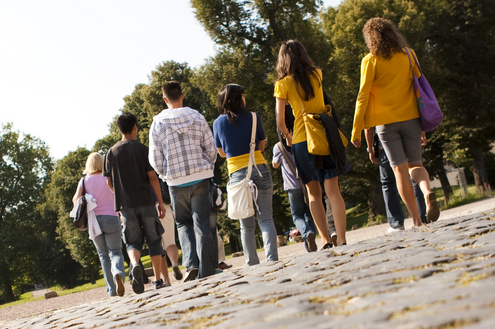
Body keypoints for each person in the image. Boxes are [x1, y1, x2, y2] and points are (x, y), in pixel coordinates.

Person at [350, 17, 439, 225]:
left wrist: (356, 130)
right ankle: (427, 192)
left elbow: (362, 96)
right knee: (416, 165)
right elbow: (419, 87)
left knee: (399, 170)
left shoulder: (370, 60)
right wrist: (423, 127)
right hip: (412, 119)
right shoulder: (408, 54)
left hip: (386, 124)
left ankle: (416, 219)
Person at [274, 40, 348, 248]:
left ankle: (325, 239)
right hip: (324, 133)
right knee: (333, 189)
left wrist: (288, 137)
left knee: (313, 193)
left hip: (301, 138)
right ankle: (341, 238)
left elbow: (280, 121)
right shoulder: (317, 74)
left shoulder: (282, 84)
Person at [149, 81, 218, 280]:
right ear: (182, 95)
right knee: (201, 223)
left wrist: (165, 174)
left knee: (184, 223)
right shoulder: (197, 116)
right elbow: (211, 148)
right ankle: (206, 270)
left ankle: (191, 265)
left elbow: (155, 158)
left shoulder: (158, 123)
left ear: (164, 99)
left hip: (175, 180)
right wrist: (207, 166)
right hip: (200, 177)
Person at [103, 113, 171, 293]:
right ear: (134, 127)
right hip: (146, 202)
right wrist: (160, 203)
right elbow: (153, 178)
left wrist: (120, 195)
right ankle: (157, 280)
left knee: (132, 242)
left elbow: (109, 182)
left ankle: (135, 265)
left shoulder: (110, 153)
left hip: (125, 205)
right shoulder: (142, 149)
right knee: (154, 240)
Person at [214, 83, 279, 265]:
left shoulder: (218, 123)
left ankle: (252, 262)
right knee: (266, 218)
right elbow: (262, 146)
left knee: (246, 224)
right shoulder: (253, 117)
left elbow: (222, 153)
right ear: (239, 97)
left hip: (237, 175)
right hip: (260, 169)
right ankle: (272, 259)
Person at [72, 153, 127, 297]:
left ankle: (111, 290)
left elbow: (75, 200)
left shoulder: (84, 181)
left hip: (93, 222)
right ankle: (118, 274)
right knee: (115, 251)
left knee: (103, 256)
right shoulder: (109, 177)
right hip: (112, 217)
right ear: (102, 162)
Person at [365, 128, 427, 233]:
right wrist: (422, 132)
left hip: (386, 133)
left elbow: (366, 122)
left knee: (388, 182)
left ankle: (396, 223)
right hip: (408, 127)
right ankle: (422, 218)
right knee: (413, 174)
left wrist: (370, 148)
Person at [158, 181, 183, 281]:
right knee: (170, 242)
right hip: (165, 207)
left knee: (157, 248)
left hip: (149, 210)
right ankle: (174, 263)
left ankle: (166, 280)